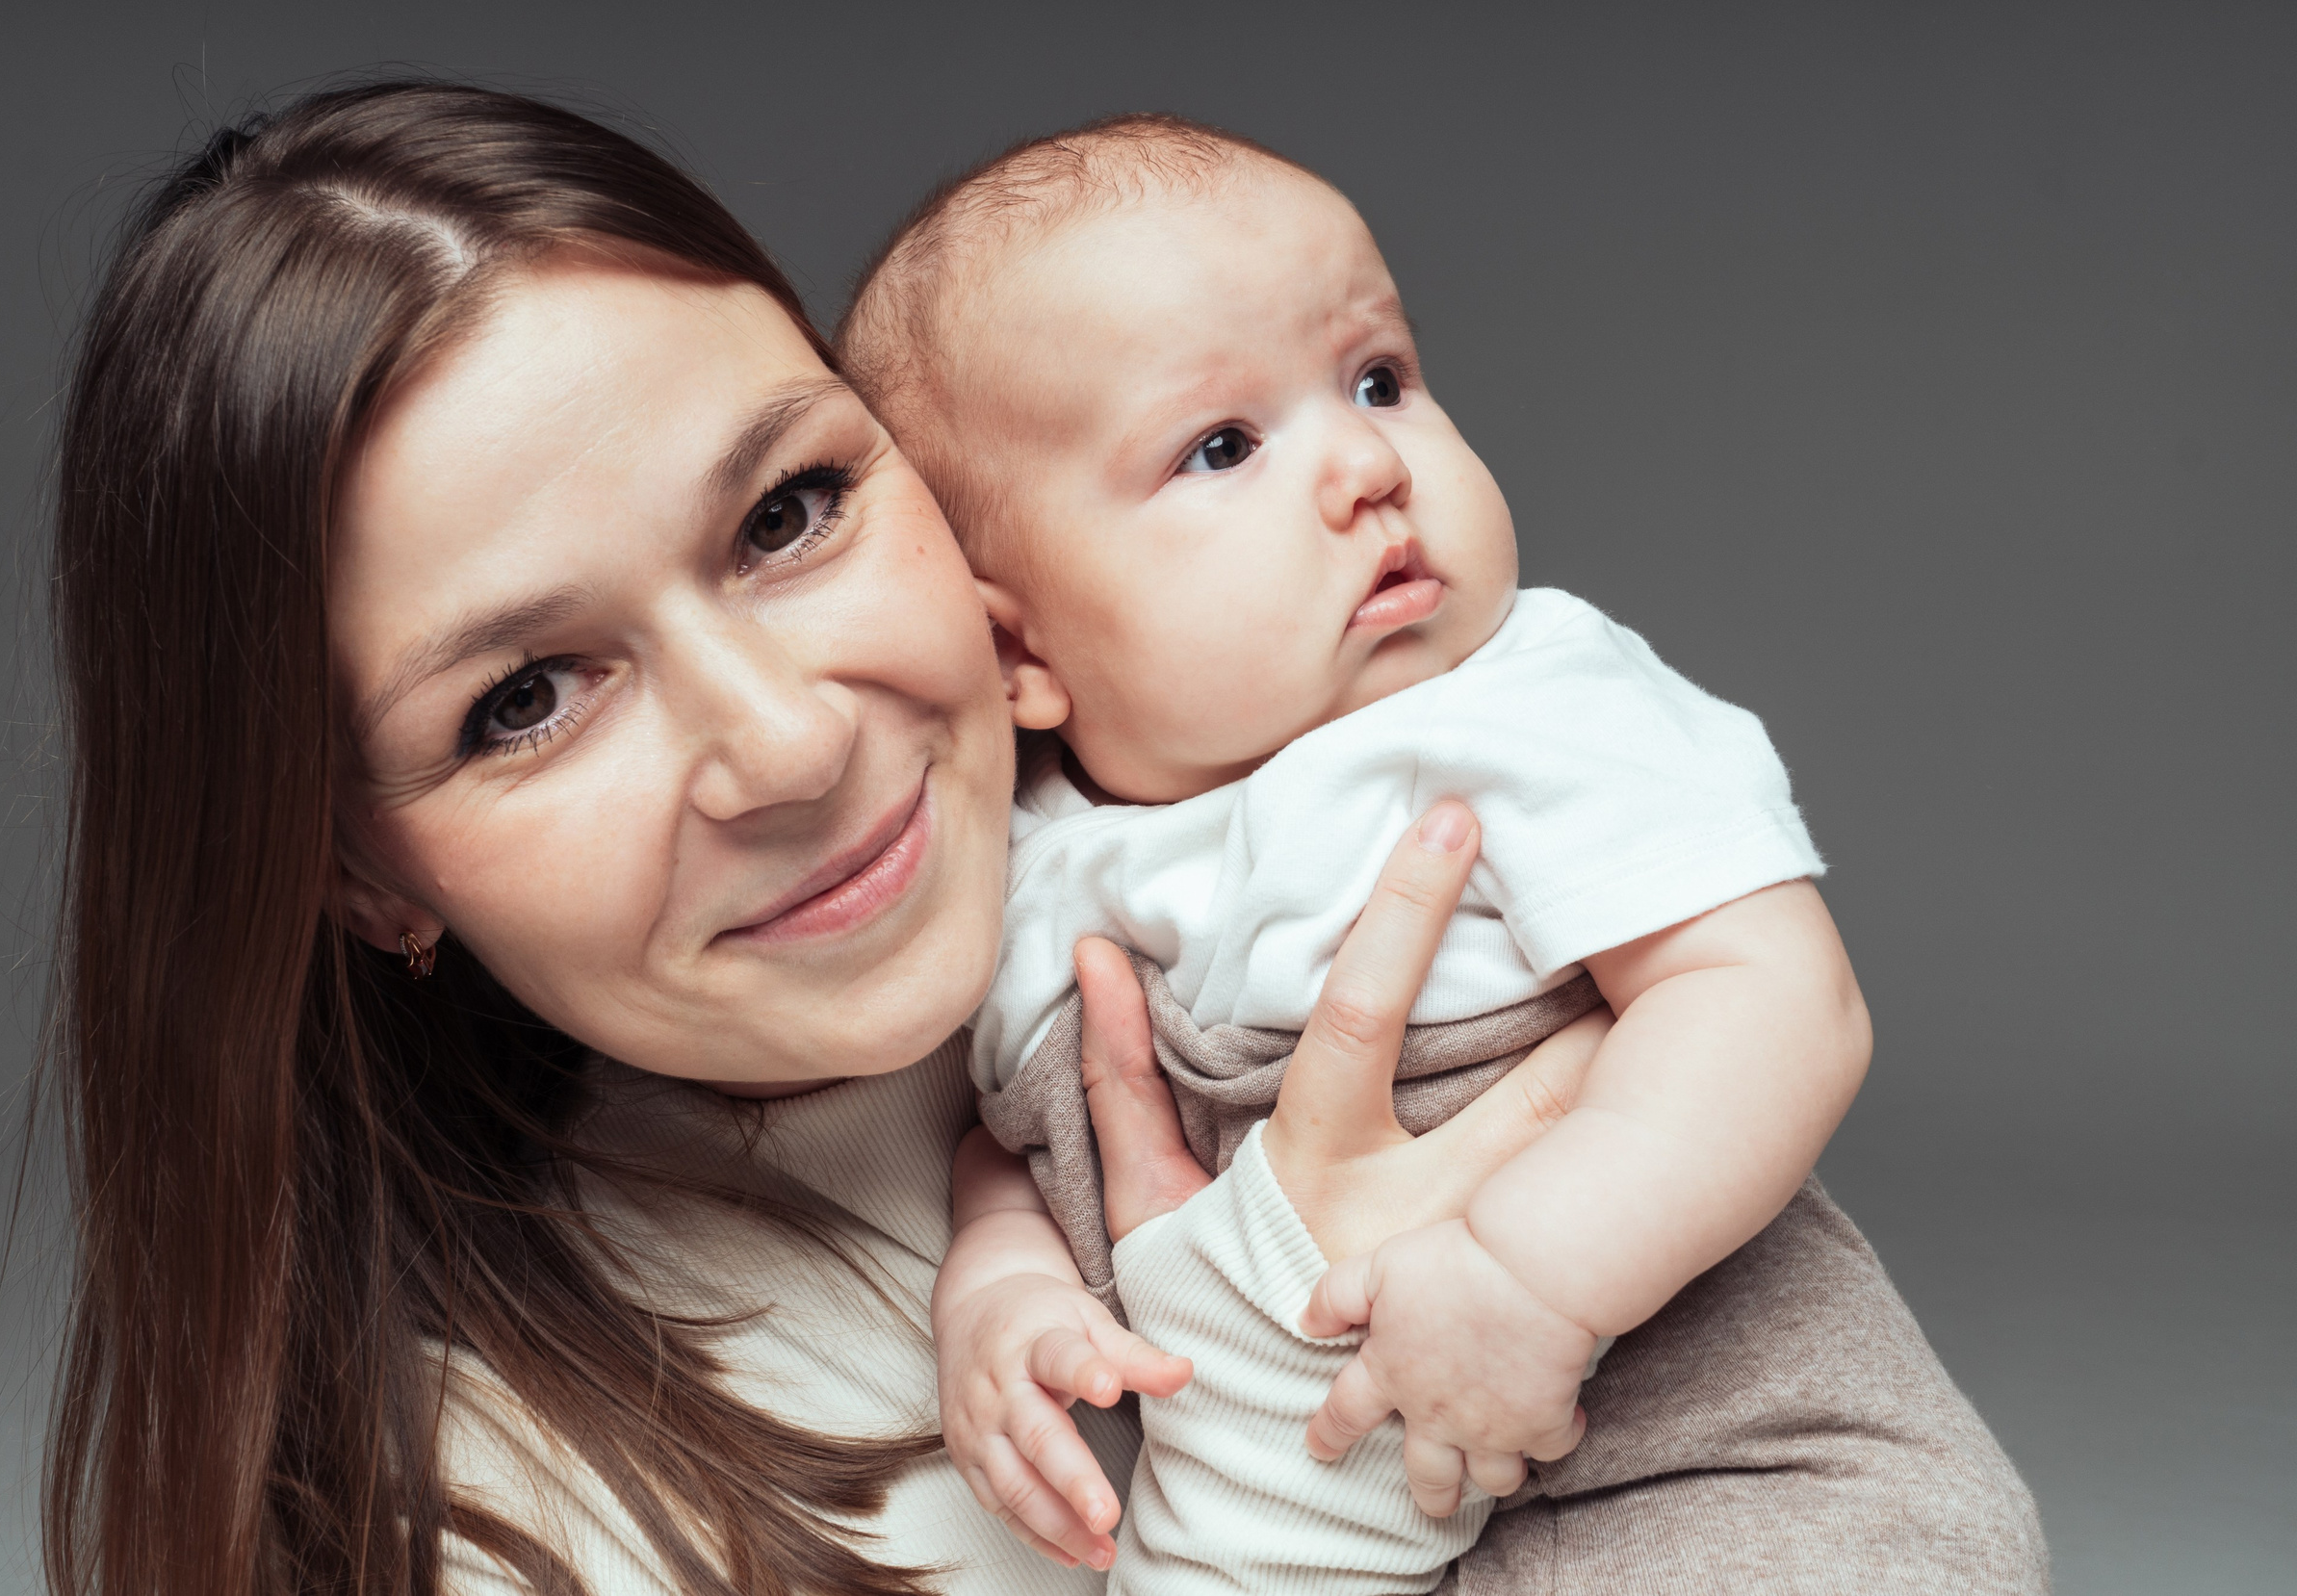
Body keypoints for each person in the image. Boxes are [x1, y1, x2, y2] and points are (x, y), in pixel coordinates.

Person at [39, 80, 2042, 1596]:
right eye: (520, 698)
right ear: (362, 870)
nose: (787, 740)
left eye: (787, 511)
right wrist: (1262, 1422)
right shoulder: (514, 1512)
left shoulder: (1274, 818)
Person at [839, 116, 2050, 1593]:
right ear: (1017, 648)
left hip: (1729, 1470)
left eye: (1379, 380)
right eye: (1222, 446)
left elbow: (1775, 995)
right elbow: (1007, 1151)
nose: (1365, 462)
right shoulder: (1033, 864)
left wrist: (1532, 1272)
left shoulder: (1532, 701)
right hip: (1351, 1534)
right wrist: (1000, 1292)